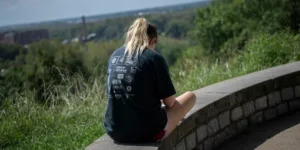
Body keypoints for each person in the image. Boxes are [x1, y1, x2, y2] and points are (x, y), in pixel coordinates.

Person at [104, 17, 196, 143]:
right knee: (190, 97)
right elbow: (169, 103)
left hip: (115, 131)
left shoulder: (114, 56)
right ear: (153, 41)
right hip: (147, 132)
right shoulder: (154, 58)